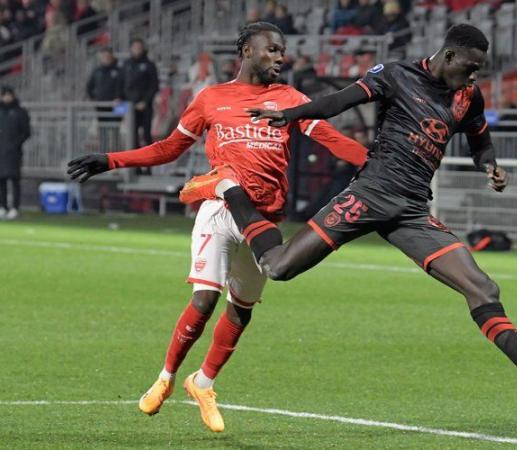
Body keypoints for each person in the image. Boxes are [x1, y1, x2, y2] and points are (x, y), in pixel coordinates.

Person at [203, 24, 517, 407]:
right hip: (368, 195)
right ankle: (231, 189)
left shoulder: (468, 96)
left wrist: (490, 165)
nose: (473, 76)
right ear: (448, 56)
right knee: (278, 268)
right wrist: (291, 115)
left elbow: (480, 138)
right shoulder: (397, 75)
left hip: (412, 211)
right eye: (470, 67)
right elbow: (342, 101)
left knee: (483, 288)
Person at [66, 22, 367, 433]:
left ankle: (203, 383)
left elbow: (333, 139)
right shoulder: (212, 98)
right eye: (272, 49)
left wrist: (378, 166)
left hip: (264, 220)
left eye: (283, 50)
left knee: (241, 310)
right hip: (219, 209)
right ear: (246, 50)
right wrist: (112, 159)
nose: (281, 56)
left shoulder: (290, 100)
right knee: (205, 299)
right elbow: (168, 148)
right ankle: (166, 377)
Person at [123, 38, 159, 163]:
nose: (137, 49)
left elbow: (154, 86)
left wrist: (145, 101)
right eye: (135, 47)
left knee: (146, 135)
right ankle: (135, 166)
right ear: (131, 48)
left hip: (145, 106)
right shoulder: (126, 64)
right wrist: (122, 101)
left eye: (139, 47)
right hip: (130, 106)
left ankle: (149, 165)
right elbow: (121, 84)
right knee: (132, 136)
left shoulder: (149, 64)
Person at [0, 86, 30, 220]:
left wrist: (15, 145)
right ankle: (3, 206)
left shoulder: (20, 112)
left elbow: (26, 132)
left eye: (8, 94)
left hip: (14, 152)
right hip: (1, 151)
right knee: (1, 180)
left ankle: (15, 208)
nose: (6, 97)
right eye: (4, 95)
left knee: (14, 180)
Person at [86, 47, 124, 151]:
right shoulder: (97, 71)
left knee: (116, 129)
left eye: (108, 56)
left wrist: (120, 98)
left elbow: (125, 88)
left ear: (112, 56)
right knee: (102, 130)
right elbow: (89, 87)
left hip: (119, 105)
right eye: (104, 56)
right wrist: (93, 99)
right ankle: (103, 155)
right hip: (101, 106)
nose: (106, 58)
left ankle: (117, 154)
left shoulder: (120, 70)